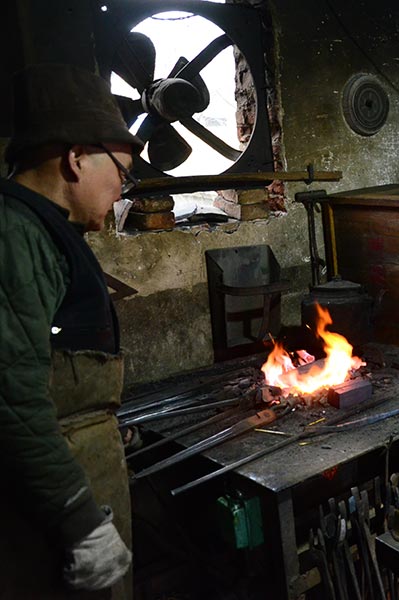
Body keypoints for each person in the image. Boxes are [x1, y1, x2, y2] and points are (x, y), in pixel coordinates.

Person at [0, 63, 144, 598]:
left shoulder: (43, 229)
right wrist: (79, 520)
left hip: (78, 463)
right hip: (55, 504)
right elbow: (11, 396)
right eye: (123, 175)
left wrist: (99, 419)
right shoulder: (15, 232)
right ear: (77, 157)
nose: (122, 192)